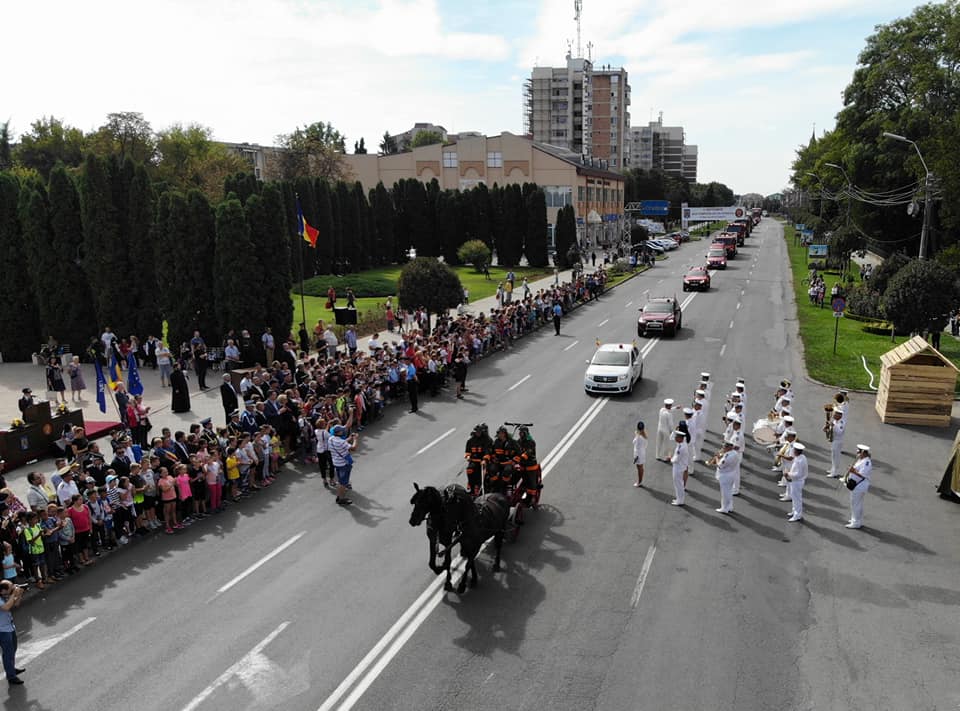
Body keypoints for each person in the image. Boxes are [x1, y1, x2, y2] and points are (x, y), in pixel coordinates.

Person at [0, 579, 25, 685]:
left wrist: (19, 595)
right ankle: (11, 676)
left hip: (10, 626)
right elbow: (6, 607)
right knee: (8, 652)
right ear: (2, 591)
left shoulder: (5, 596)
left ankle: (12, 669)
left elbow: (16, 604)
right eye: (10, 587)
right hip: (2, 630)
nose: (12, 588)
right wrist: (13, 594)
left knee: (13, 649)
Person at [329, 425, 358, 506]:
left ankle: (339, 496)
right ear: (339, 432)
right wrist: (355, 439)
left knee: (340, 480)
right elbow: (353, 448)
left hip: (336, 463)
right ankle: (341, 499)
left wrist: (350, 437)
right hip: (343, 464)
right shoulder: (341, 442)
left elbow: (343, 442)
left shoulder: (331, 439)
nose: (343, 431)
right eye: (341, 430)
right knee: (343, 482)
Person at [845, 444, 872, 529]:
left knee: (855, 504)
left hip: (859, 486)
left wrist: (853, 471)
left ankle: (856, 522)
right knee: (856, 503)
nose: (857, 454)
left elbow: (862, 475)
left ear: (863, 453)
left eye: (859, 452)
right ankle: (856, 519)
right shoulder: (861, 459)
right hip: (856, 484)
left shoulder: (866, 462)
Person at [464, 424, 491, 497]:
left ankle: (483, 489)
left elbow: (487, 451)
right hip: (474, 461)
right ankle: (472, 489)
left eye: (479, 431)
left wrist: (485, 460)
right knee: (469, 470)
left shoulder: (486, 440)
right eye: (477, 431)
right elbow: (467, 452)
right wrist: (468, 456)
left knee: (485, 473)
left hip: (483, 462)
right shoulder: (470, 441)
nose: (478, 433)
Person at [785, 442, 808, 522]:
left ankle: (797, 515)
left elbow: (798, 474)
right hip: (796, 481)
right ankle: (794, 511)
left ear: (796, 451)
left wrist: (788, 473)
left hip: (797, 482)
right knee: (794, 498)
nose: (793, 451)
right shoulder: (801, 457)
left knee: (797, 499)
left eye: (794, 450)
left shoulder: (799, 461)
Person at [713, 439, 738, 514]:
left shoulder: (728, 456)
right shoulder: (734, 453)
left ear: (729, 447)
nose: (723, 448)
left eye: (724, 447)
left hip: (725, 476)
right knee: (729, 491)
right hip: (731, 474)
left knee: (725, 493)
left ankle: (724, 508)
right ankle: (729, 507)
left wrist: (717, 457)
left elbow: (720, 465)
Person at [669, 430, 689, 506]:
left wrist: (670, 459)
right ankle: (679, 499)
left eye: (677, 437)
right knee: (678, 484)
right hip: (680, 466)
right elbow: (671, 438)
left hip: (678, 467)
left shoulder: (681, 447)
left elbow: (676, 459)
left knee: (678, 484)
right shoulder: (682, 444)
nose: (675, 438)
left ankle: (680, 500)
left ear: (680, 438)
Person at [826, 409, 845, 478]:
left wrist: (833, 426)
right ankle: (832, 469)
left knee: (836, 457)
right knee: (833, 456)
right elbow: (832, 429)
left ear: (839, 415)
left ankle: (835, 472)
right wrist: (827, 428)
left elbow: (840, 432)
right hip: (834, 440)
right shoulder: (835, 421)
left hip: (838, 441)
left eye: (835, 414)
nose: (833, 415)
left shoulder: (841, 423)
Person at [632, 421, 647, 487]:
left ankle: (639, 482)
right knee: (641, 467)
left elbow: (634, 443)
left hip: (638, 454)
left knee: (639, 468)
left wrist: (636, 457)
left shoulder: (638, 437)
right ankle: (640, 481)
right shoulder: (645, 436)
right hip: (642, 453)